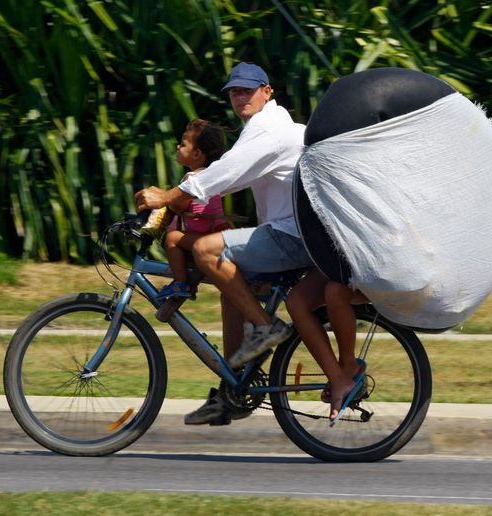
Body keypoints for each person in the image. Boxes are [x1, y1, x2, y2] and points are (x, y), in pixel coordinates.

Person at [135, 62, 313, 425]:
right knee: (228, 285)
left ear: (268, 91)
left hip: (290, 236)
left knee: (204, 251)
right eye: (234, 92)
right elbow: (228, 172)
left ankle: (268, 326)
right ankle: (233, 388)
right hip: (288, 233)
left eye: (247, 90)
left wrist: (165, 197)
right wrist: (179, 198)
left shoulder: (270, 131)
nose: (239, 97)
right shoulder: (262, 129)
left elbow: (225, 173)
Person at [156, 119, 229, 300]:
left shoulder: (193, 179)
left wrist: (164, 201)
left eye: (182, 144)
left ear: (196, 153)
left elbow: (178, 205)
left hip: (208, 237)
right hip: (218, 233)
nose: (177, 147)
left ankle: (180, 283)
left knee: (172, 238)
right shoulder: (210, 175)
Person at [286, 268, 369, 424]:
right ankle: (342, 371)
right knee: (295, 301)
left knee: (335, 291)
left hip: (370, 264)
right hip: (337, 259)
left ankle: (346, 368)